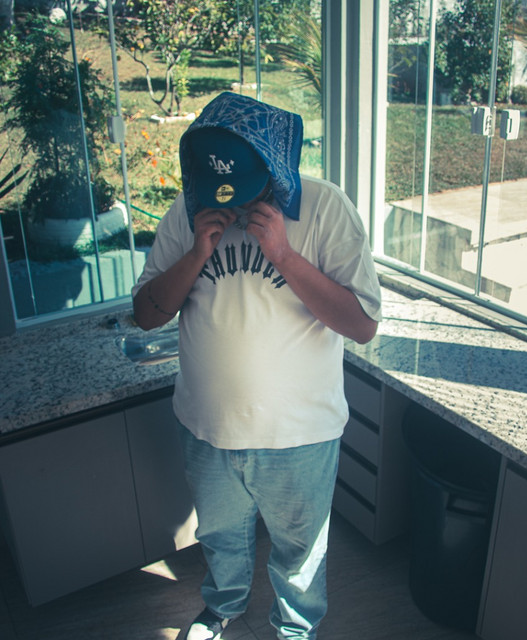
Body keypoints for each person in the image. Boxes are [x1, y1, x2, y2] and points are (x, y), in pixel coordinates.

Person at [132, 92, 382, 640]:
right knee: (220, 538)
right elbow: (147, 315)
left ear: (276, 161)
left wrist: (285, 256)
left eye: (248, 184)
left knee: (300, 551)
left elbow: (362, 325)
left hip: (300, 434)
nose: (236, 201)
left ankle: (295, 629)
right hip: (207, 428)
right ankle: (222, 608)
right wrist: (196, 252)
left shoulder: (326, 206)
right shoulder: (188, 209)